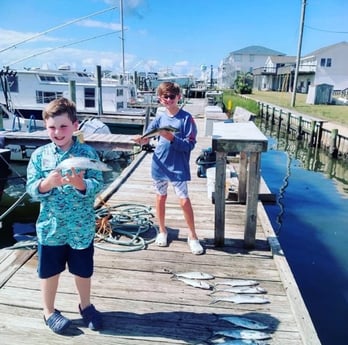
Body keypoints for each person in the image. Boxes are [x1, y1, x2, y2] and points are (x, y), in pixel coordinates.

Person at [26, 97, 103, 334]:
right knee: (49, 271)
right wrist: (45, 184)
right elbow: (30, 188)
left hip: (81, 228)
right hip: (51, 228)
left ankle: (86, 305)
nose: (58, 132)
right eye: (52, 127)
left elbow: (99, 182)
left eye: (63, 126)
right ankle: (48, 310)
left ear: (75, 125)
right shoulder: (39, 155)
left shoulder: (88, 153)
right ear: (46, 127)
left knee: (83, 270)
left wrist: (82, 184)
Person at [133, 82, 203, 255]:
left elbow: (190, 145)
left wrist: (171, 138)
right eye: (166, 96)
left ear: (179, 97)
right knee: (160, 198)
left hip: (178, 167)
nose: (169, 99)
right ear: (160, 99)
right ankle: (162, 231)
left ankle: (193, 236)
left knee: (184, 200)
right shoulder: (159, 118)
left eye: (172, 96)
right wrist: (141, 140)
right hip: (159, 165)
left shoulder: (187, 119)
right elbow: (147, 137)